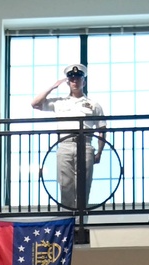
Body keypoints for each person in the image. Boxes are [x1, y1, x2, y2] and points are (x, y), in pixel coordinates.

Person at [32, 62, 106, 210]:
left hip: (85, 144)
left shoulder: (93, 104)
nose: (75, 81)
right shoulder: (60, 102)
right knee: (65, 184)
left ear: (83, 81)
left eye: (78, 78)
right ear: (68, 82)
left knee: (84, 184)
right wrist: (53, 87)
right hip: (65, 144)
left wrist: (100, 152)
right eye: (71, 78)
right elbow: (35, 104)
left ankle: (81, 221)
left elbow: (102, 128)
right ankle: (68, 221)